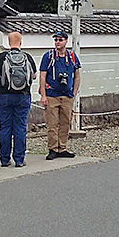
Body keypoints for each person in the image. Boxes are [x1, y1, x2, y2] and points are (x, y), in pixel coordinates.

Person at [0, 31, 37, 167]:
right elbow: (34, 76)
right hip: (23, 96)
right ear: (21, 43)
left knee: (5, 127)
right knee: (20, 127)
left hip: (4, 96)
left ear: (8, 43)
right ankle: (19, 159)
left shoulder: (2, 56)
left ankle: (5, 159)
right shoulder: (27, 57)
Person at [39, 29, 81, 160]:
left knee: (65, 122)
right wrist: (43, 95)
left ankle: (62, 147)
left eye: (60, 40)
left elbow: (77, 76)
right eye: (56, 40)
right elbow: (42, 75)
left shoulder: (72, 57)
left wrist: (73, 94)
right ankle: (53, 148)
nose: (57, 42)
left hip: (67, 95)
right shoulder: (48, 56)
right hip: (52, 94)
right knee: (52, 123)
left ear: (66, 41)